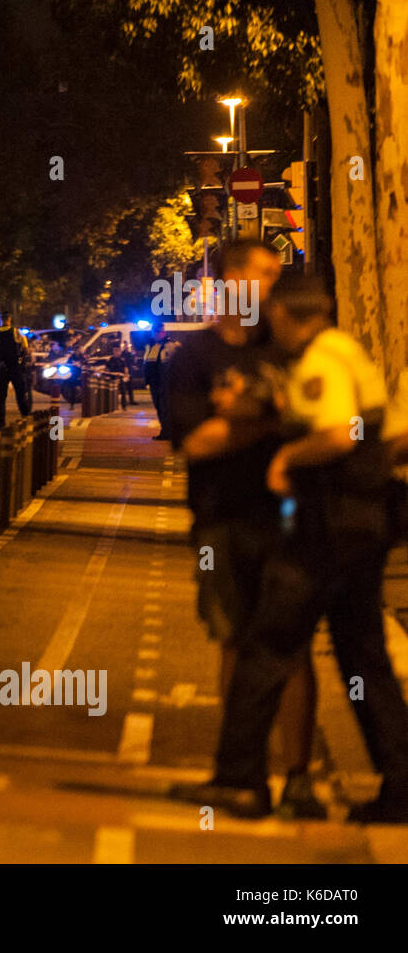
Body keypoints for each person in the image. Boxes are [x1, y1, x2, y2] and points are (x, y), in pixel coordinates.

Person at [204, 275, 408, 823]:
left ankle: (239, 779)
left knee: (268, 643)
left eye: (271, 315)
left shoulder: (322, 357)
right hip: (362, 523)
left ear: (285, 314)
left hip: (329, 528)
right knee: (363, 655)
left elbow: (339, 434)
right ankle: (401, 785)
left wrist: (286, 460)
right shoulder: (341, 353)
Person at [166, 240, 324, 819]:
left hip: (290, 517)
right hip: (221, 518)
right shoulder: (192, 355)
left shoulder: (289, 348)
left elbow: (317, 421)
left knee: (291, 646)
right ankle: (241, 773)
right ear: (231, 280)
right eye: (266, 274)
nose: (276, 286)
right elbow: (197, 442)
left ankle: (300, 777)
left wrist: (245, 414)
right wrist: (269, 418)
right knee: (233, 638)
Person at [0, 315, 32, 428]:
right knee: (20, 393)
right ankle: (25, 416)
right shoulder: (16, 332)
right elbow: (26, 348)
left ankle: (0, 423)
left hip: (1, 368)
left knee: (0, 397)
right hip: (15, 367)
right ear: (10, 319)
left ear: (0, 320)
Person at [144, 321, 176, 439]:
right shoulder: (150, 346)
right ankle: (165, 431)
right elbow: (147, 364)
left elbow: (174, 365)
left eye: (162, 331)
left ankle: (168, 432)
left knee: (165, 408)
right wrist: (147, 381)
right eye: (158, 332)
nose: (160, 334)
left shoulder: (169, 346)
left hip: (165, 383)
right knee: (159, 408)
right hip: (154, 383)